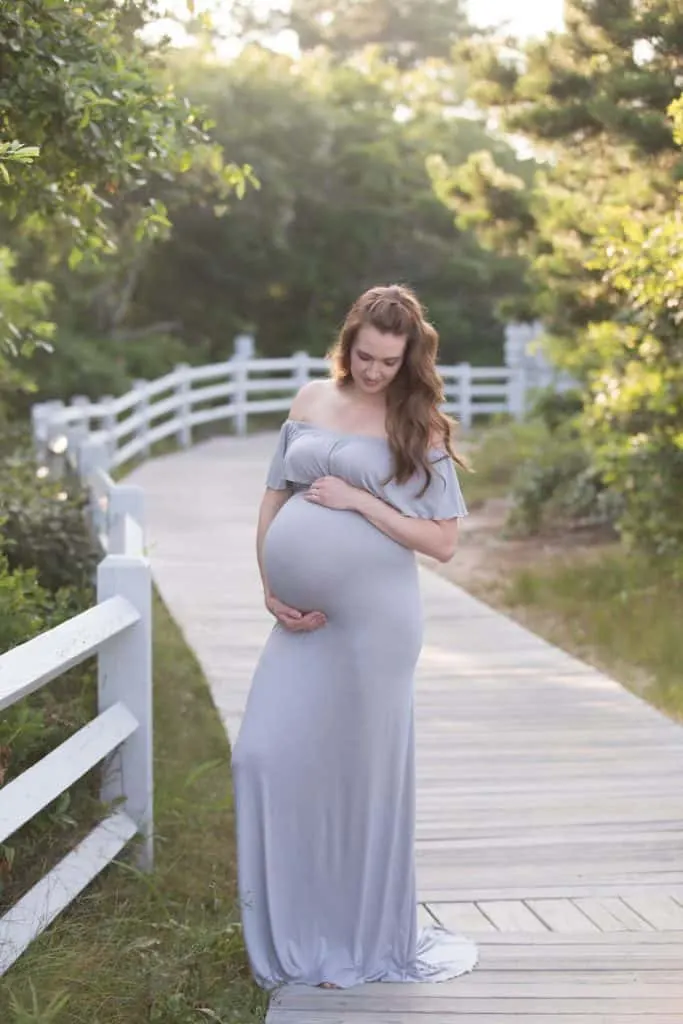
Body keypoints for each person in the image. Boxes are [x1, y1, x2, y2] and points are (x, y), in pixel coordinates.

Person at [231, 284, 478, 991]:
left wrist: (362, 501)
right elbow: (274, 495)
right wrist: (270, 585)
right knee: (260, 755)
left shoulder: (416, 421)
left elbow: (442, 543)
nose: (373, 372)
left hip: (377, 625)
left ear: (409, 358)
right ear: (348, 343)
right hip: (300, 622)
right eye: (364, 356)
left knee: (359, 780)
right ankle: (294, 930)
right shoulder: (310, 399)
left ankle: (358, 938)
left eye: (388, 361)